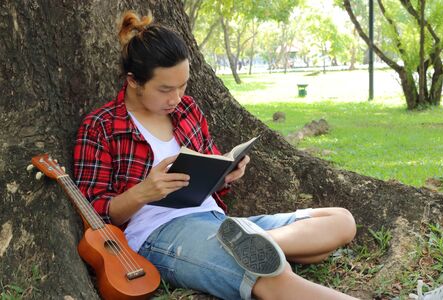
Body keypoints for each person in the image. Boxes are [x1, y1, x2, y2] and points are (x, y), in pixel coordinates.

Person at [74, 11, 359, 300]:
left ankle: (253, 243)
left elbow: (206, 171)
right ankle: (249, 249)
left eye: (182, 86)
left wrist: (225, 173)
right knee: (272, 275)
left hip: (216, 222)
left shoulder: (187, 111)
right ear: (134, 81)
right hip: (159, 233)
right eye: (165, 89)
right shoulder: (102, 127)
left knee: (340, 220)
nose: (176, 98)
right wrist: (143, 193)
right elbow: (93, 213)